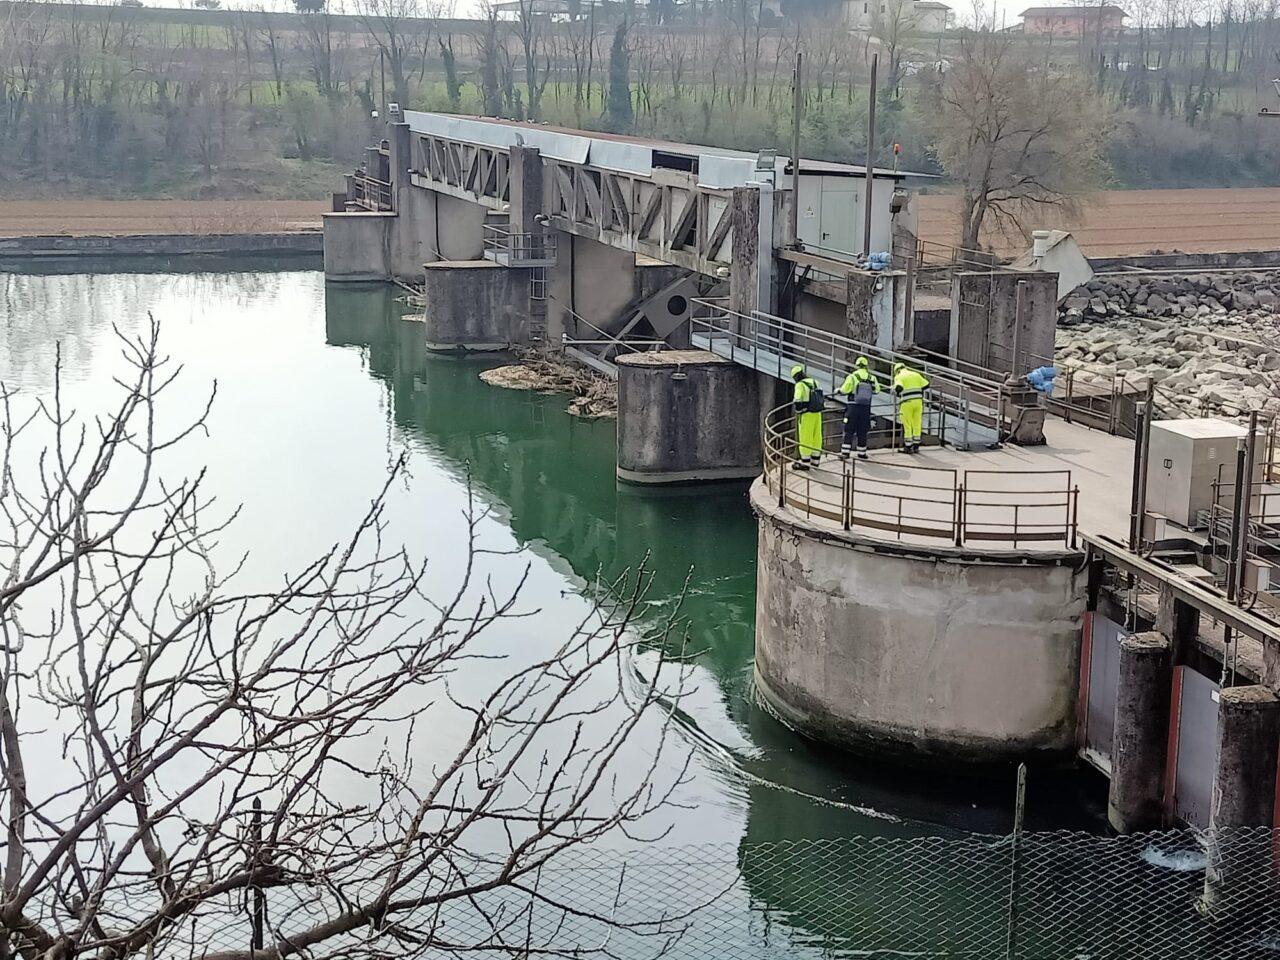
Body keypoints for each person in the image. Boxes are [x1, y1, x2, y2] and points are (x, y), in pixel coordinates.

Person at [837, 356, 881, 460]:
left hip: (853, 406)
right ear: (866, 366)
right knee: (863, 430)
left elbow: (845, 389)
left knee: (849, 429)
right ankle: (862, 452)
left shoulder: (852, 376)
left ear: (857, 365)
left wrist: (839, 391)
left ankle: (845, 453)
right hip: (866, 407)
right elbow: (877, 390)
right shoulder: (872, 378)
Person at [790, 364, 824, 470]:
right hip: (817, 413)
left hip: (806, 414)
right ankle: (815, 461)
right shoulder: (815, 382)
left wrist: (798, 409)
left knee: (805, 438)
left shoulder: (800, 385)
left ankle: (805, 463)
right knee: (816, 436)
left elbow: (798, 399)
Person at [892, 361, 930, 454]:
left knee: (907, 424)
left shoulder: (899, 376)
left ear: (897, 371)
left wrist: (896, 391)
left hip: (907, 402)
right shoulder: (915, 374)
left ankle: (908, 447)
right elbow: (926, 385)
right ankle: (916, 445)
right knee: (917, 422)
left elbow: (898, 388)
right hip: (918, 402)